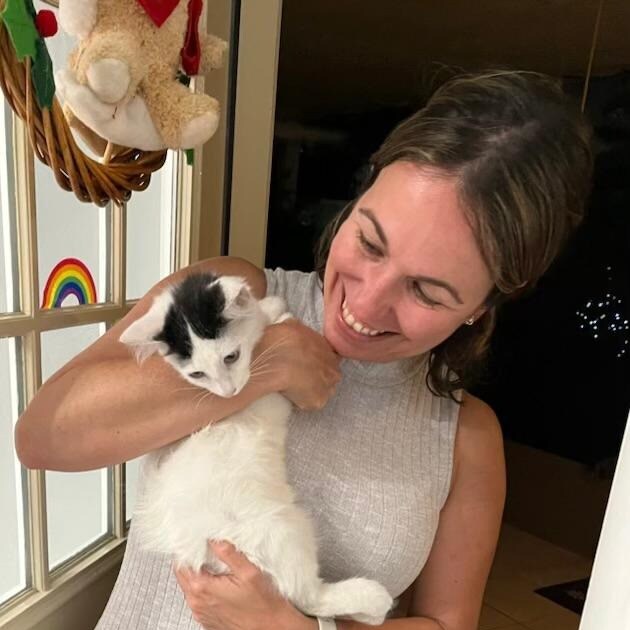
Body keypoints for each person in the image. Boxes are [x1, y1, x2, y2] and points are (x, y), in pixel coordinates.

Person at [15, 70, 593, 630]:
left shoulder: (465, 438)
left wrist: (293, 627)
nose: (367, 303)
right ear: (363, 189)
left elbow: (448, 623)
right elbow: (43, 436)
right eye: (370, 242)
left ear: (482, 305)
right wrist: (263, 365)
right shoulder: (234, 299)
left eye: (425, 291)